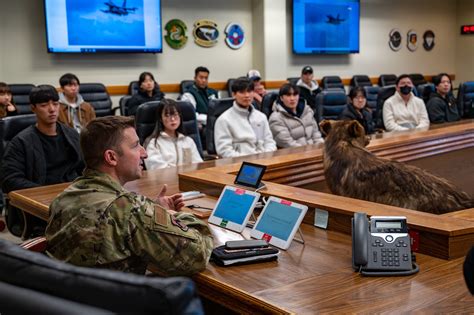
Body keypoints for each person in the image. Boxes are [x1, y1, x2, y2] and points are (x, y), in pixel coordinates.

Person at [45, 116, 213, 276]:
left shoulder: (63, 198)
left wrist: (153, 212)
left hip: (68, 300)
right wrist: (174, 216)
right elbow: (197, 255)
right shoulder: (132, 209)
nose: (144, 153)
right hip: (117, 304)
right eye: (135, 146)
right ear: (111, 157)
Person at [0, 85, 83, 237]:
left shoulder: (71, 135)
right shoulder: (21, 142)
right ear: (33, 108)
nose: (52, 109)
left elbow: (86, 168)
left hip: (74, 199)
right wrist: (44, 194)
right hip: (41, 207)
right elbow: (9, 179)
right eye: (44, 105)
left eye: (55, 104)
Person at [214, 77, 276, 157]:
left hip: (264, 160)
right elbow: (224, 151)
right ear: (234, 94)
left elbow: (270, 142)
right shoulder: (224, 120)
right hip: (239, 164)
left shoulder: (261, 117)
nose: (247, 95)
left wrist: (266, 156)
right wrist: (250, 160)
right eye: (242, 92)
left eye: (249, 91)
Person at [144, 99, 203, 170]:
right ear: (160, 119)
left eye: (175, 115)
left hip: (188, 179)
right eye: (167, 115)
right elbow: (157, 170)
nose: (172, 119)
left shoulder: (188, 141)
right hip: (165, 180)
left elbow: (198, 165)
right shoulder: (154, 143)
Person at [269, 83, 324, 148]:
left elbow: (316, 135)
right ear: (281, 98)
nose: (292, 98)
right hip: (294, 155)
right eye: (288, 95)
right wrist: (309, 152)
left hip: (313, 152)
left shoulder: (307, 111)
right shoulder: (276, 118)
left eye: (295, 95)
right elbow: (287, 143)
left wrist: (321, 148)